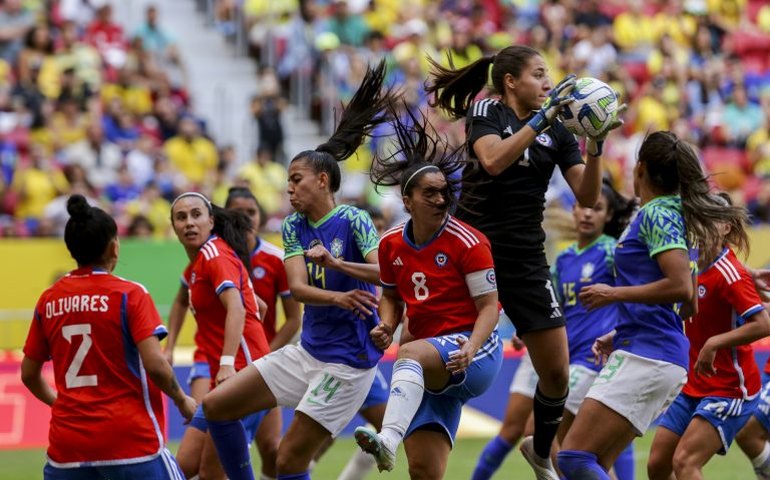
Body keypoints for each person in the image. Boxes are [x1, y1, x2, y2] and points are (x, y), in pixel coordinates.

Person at [426, 44, 624, 479]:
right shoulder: (486, 112)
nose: (547, 83)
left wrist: (596, 145)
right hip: (472, 253)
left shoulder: (561, 132)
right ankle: (401, 417)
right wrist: (543, 118)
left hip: (525, 259)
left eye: (548, 74)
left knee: (556, 374)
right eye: (538, 74)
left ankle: (540, 451)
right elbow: (494, 160)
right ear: (511, 81)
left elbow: (590, 196)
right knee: (426, 347)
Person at [200, 60, 391, 480]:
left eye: (296, 179)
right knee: (215, 407)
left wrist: (338, 265)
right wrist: (339, 295)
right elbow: (299, 290)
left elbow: (385, 276)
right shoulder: (293, 225)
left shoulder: (355, 220)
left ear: (322, 181)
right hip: (307, 352)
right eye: (287, 180)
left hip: (347, 362)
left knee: (288, 459)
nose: (288, 187)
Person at [556, 131, 747, 479]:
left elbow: (677, 287)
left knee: (572, 457)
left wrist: (612, 294)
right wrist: (623, 329)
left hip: (648, 354)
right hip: (650, 349)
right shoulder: (673, 214)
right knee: (594, 462)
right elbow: (688, 301)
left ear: (639, 167)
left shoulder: (658, 213)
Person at [353, 103, 502, 478]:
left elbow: (489, 306)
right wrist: (386, 324)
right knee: (423, 470)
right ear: (407, 201)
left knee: (411, 351)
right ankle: (393, 440)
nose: (440, 199)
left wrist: (470, 347)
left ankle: (386, 436)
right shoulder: (390, 245)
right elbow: (391, 296)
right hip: (426, 364)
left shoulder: (469, 242)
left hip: (473, 350)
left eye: (444, 192)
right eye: (430, 194)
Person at [20, 194, 196, 479]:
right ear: (114, 247)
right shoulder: (130, 294)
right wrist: (182, 400)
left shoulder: (48, 300)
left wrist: (63, 405)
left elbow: (29, 374)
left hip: (68, 448)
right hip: (130, 442)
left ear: (71, 249)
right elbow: (156, 366)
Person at [472, 180, 637, 480]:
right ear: (573, 210)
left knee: (538, 431)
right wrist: (529, 328)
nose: (587, 214)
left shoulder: (613, 252)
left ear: (608, 217)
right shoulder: (564, 259)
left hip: (594, 359)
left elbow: (633, 292)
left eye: (597, 209)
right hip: (571, 357)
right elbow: (553, 306)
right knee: (586, 451)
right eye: (582, 207)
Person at [648, 193, 770, 480]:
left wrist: (715, 343)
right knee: (656, 465)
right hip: (692, 386)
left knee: (685, 462)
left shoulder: (730, 273)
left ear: (726, 227)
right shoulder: (687, 265)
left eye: (711, 218)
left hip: (729, 389)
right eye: (698, 216)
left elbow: (763, 324)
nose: (702, 224)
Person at [169, 191, 271, 480]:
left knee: (214, 472)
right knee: (184, 467)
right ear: (173, 227)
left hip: (242, 377)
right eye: (181, 217)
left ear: (211, 221)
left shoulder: (214, 255)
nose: (189, 222)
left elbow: (237, 308)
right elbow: (258, 306)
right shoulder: (197, 265)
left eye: (196, 215)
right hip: (225, 383)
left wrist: (231, 360)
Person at [225, 186, 302, 479]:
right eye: (237, 212)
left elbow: (294, 319)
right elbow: (185, 297)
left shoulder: (275, 258)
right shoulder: (215, 256)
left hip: (262, 366)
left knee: (271, 447)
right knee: (220, 450)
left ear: (260, 216)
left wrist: (264, 355)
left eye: (251, 212)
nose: (245, 218)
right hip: (224, 365)